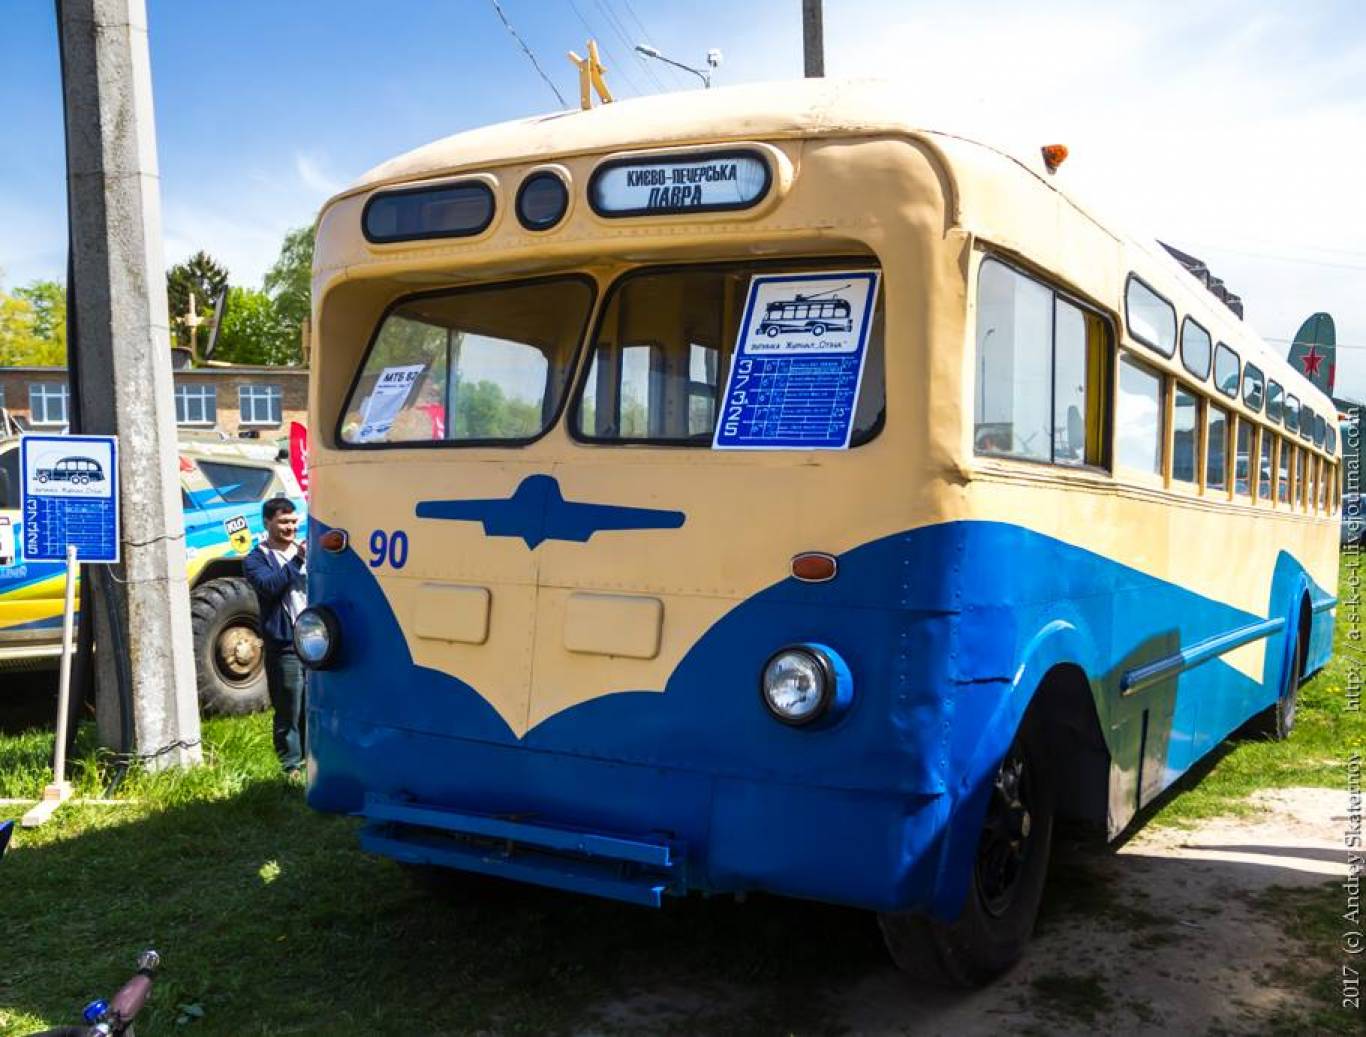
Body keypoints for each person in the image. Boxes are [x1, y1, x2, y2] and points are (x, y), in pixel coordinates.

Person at [243, 497, 308, 778]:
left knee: (312, 704)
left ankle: (314, 759)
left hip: (315, 642)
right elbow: (269, 586)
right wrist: (298, 560)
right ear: (267, 522)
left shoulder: (308, 552)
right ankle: (291, 765)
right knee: (289, 705)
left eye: (293, 521)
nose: (290, 527)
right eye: (283, 522)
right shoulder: (256, 559)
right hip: (285, 643)